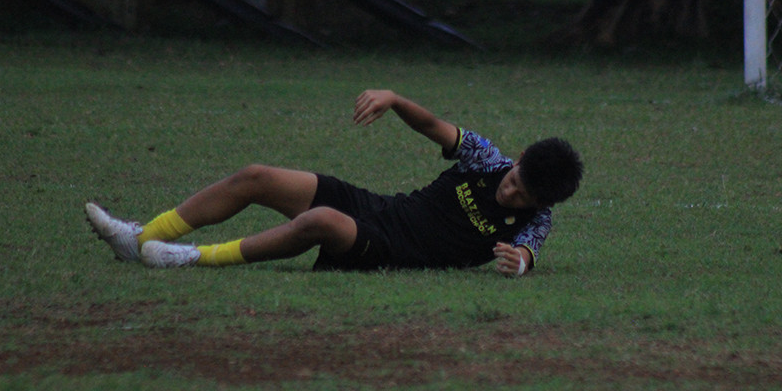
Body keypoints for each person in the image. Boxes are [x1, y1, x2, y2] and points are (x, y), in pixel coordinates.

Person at [85, 89, 583, 277]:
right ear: (516, 159)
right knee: (257, 176)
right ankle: (143, 239)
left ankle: (192, 258)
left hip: (389, 249)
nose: (511, 193)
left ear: (543, 203)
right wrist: (394, 99)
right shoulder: (486, 159)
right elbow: (435, 126)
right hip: (377, 209)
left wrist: (520, 263)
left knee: (320, 220)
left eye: (525, 196)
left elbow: (528, 255)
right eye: (516, 181)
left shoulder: (536, 221)